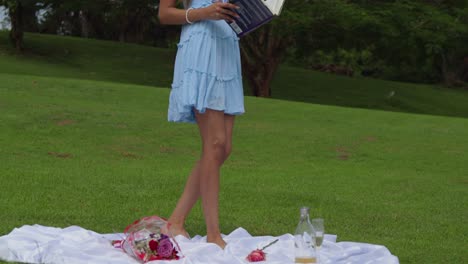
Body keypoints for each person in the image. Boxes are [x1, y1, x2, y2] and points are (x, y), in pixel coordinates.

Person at [158, 0, 245, 249]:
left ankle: (175, 222)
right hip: (201, 47)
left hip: (226, 48)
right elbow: (164, 14)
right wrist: (204, 13)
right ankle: (213, 234)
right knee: (215, 142)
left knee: (223, 148)